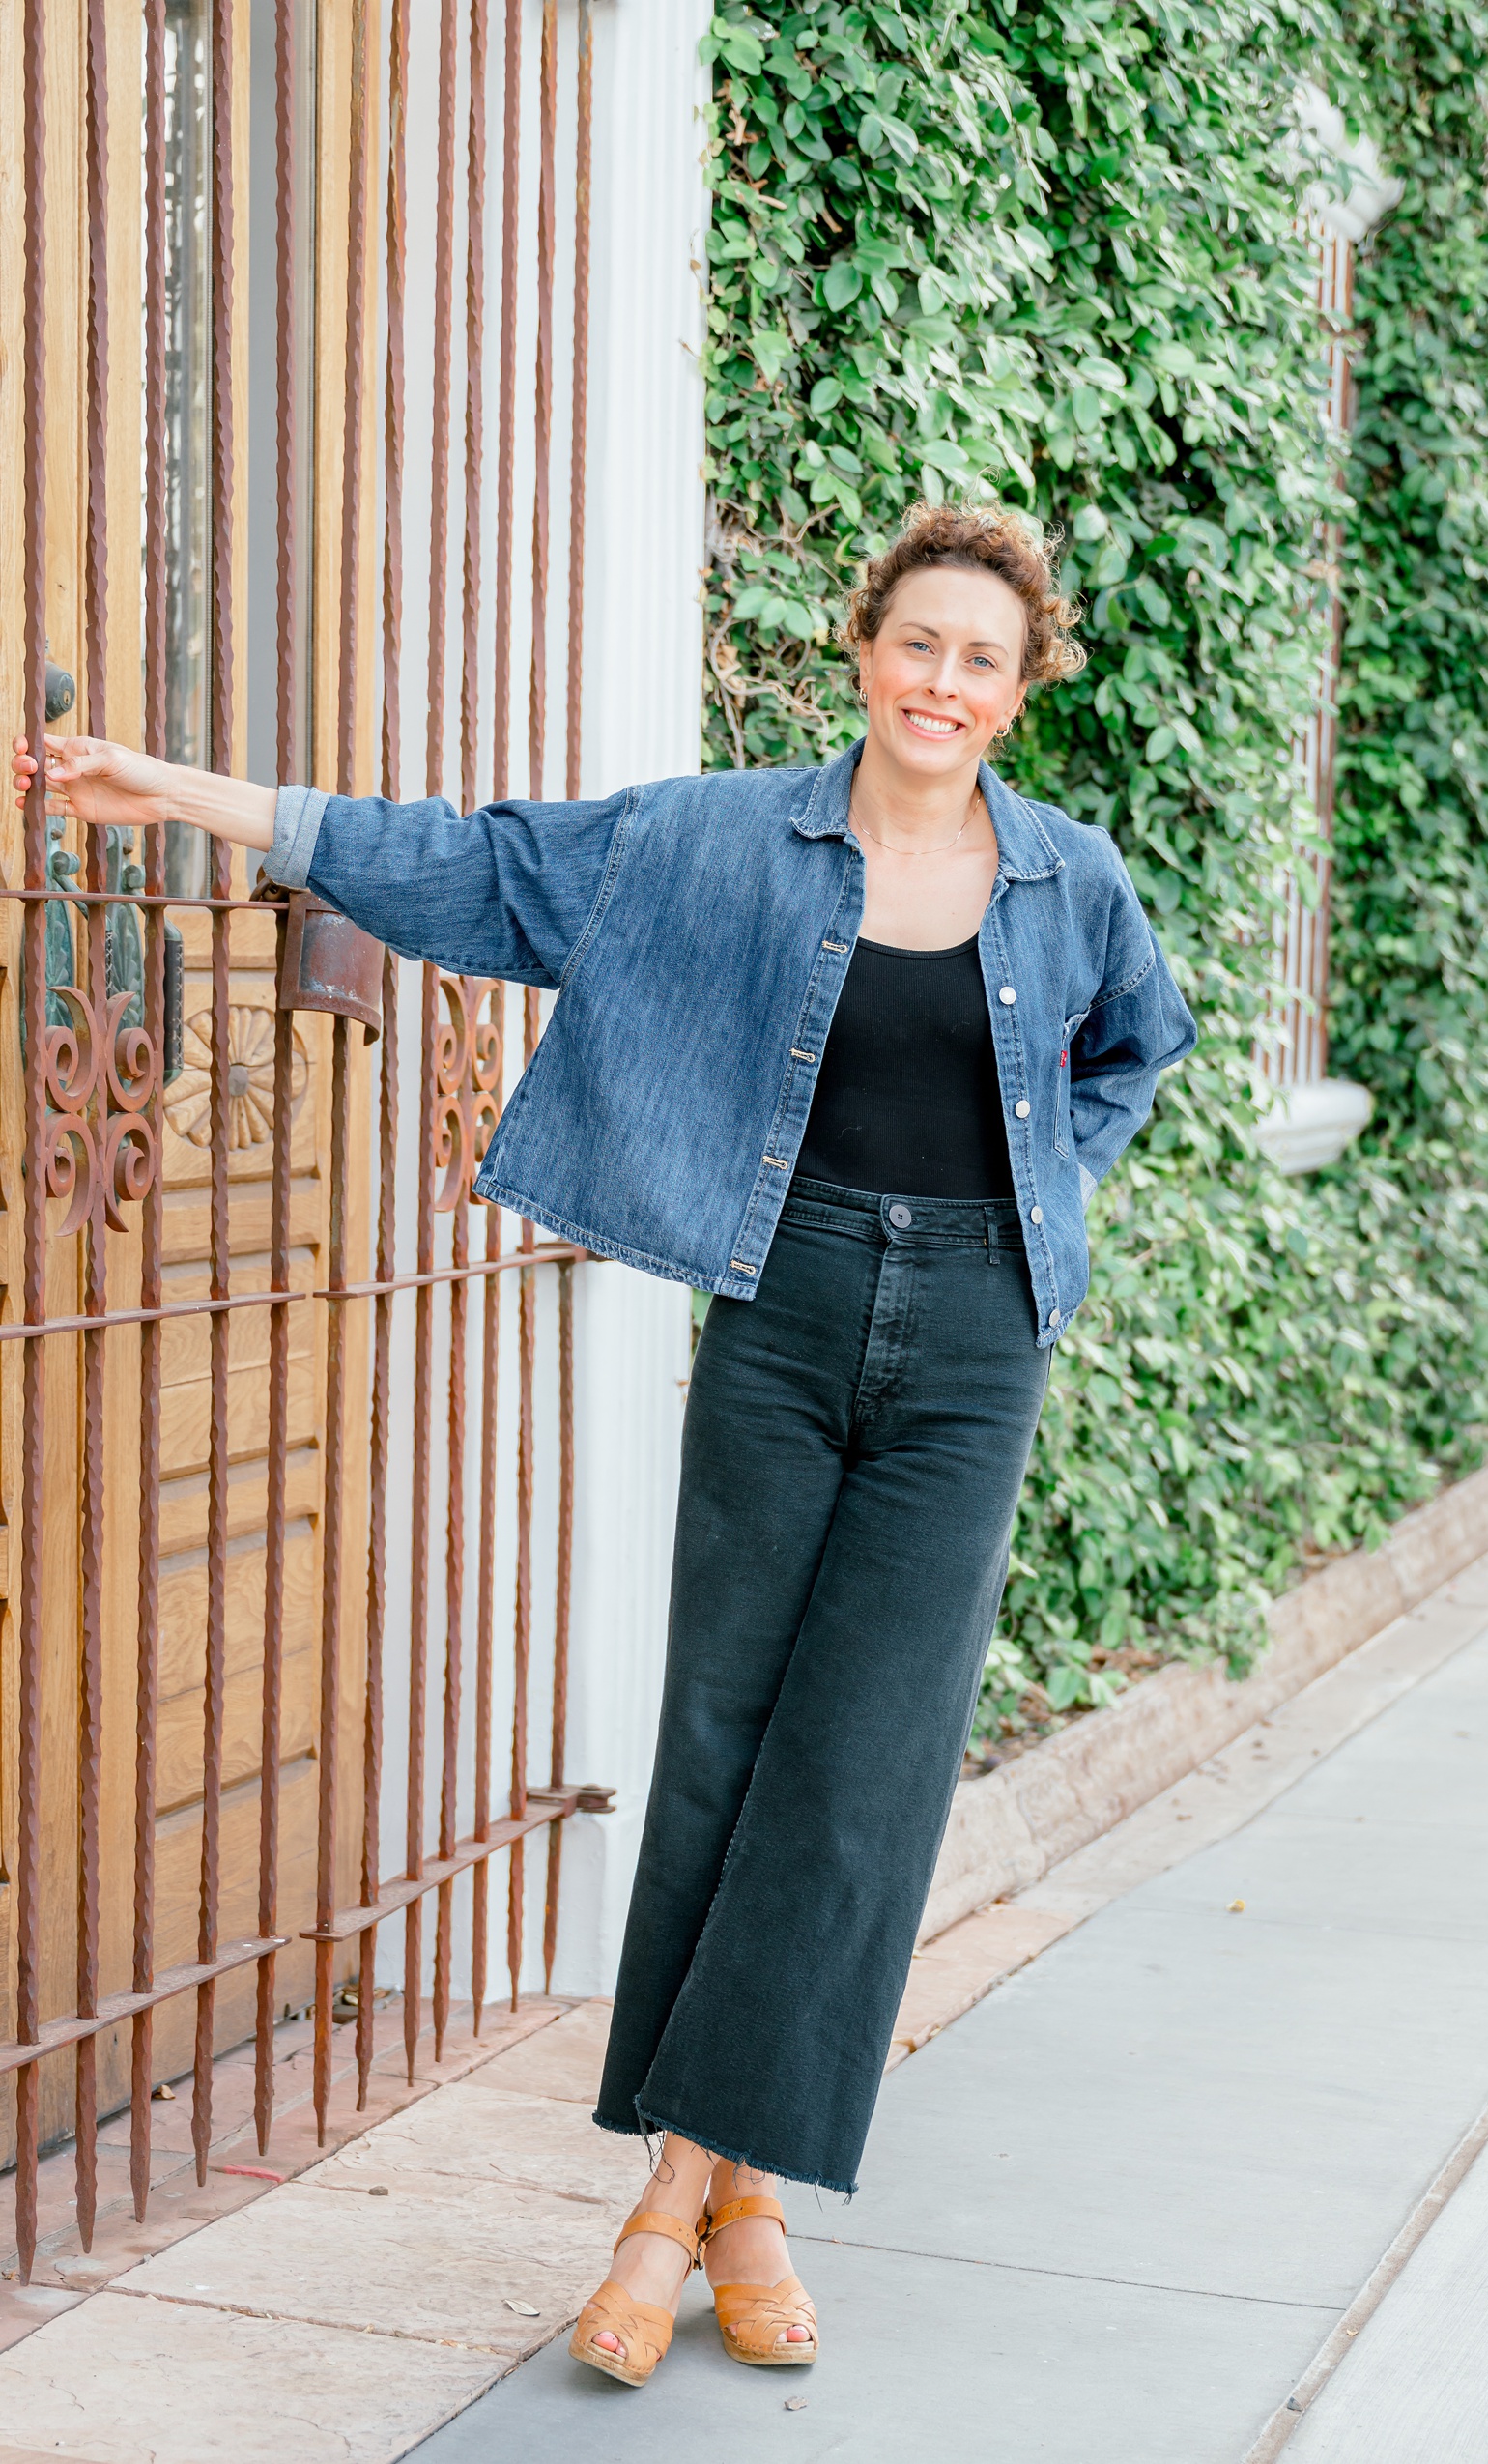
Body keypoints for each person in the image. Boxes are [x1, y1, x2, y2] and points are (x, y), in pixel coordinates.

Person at [13, 500, 1194, 2387]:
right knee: (722, 1726)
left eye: (982, 659)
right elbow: (476, 868)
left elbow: (1136, 1048)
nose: (942, 684)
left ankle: (669, 2203)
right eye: (917, 645)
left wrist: (1034, 1196)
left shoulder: (1069, 882)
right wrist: (187, 793)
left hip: (976, 1343)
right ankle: (739, 2206)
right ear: (866, 653)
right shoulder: (725, 843)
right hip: (782, 1313)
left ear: (1015, 688)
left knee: (863, 1768)